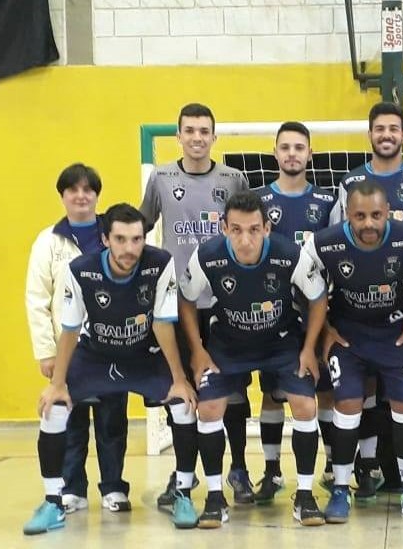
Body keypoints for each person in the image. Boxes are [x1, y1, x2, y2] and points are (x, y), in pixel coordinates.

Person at [22, 203, 198, 535]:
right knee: (54, 410)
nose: (129, 248)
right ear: (105, 239)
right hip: (96, 356)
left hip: (142, 355)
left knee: (183, 405)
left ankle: (184, 494)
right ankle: (52, 503)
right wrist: (57, 383)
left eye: (136, 239)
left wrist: (179, 379)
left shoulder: (160, 264)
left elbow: (163, 325)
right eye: (120, 239)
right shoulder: (80, 270)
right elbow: (70, 329)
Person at [180, 191, 328, 528]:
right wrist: (198, 349)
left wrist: (308, 348)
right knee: (208, 408)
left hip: (281, 343)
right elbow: (186, 301)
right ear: (223, 228)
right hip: (228, 344)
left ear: (266, 227)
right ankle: (215, 496)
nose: (245, 239)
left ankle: (304, 495)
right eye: (236, 230)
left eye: (253, 229)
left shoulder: (290, 254)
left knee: (305, 404)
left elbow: (318, 300)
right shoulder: (206, 256)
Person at [140, 103, 254, 507]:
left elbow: (246, 232)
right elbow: (141, 229)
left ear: (214, 137)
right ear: (178, 136)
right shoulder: (161, 178)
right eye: (189, 130)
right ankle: (183, 473)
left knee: (233, 390)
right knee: (185, 390)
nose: (197, 137)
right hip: (180, 303)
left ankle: (239, 469)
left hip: (225, 302)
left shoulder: (233, 179)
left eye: (204, 131)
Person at [330, 102, 403, 498]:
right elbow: (333, 245)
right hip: (356, 308)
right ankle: (368, 463)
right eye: (380, 128)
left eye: (394, 128)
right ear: (370, 134)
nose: (387, 135)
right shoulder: (349, 183)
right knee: (365, 386)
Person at [305, 179, 403, 523]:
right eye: (360, 216)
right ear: (347, 215)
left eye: (376, 215)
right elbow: (305, 288)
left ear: (388, 211)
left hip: (394, 332)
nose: (369, 224)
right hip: (347, 336)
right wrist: (325, 330)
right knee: (347, 404)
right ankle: (342, 489)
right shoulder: (322, 244)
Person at [25, 164, 130, 514]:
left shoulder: (116, 233)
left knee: (112, 421)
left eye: (88, 190)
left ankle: (114, 487)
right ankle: (73, 489)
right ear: (63, 196)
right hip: (69, 350)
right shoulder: (48, 241)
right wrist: (46, 352)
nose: (81, 196)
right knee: (71, 422)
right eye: (73, 190)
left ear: (97, 195)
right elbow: (37, 299)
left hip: (113, 345)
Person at [253, 122, 337, 503]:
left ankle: (334, 465)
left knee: (325, 390)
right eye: (285, 147)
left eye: (298, 147)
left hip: (318, 310)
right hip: (273, 315)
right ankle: (271, 470)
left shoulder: (326, 202)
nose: (291, 153)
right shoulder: (256, 202)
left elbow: (337, 256)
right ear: (275, 153)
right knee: (274, 392)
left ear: (309, 154)